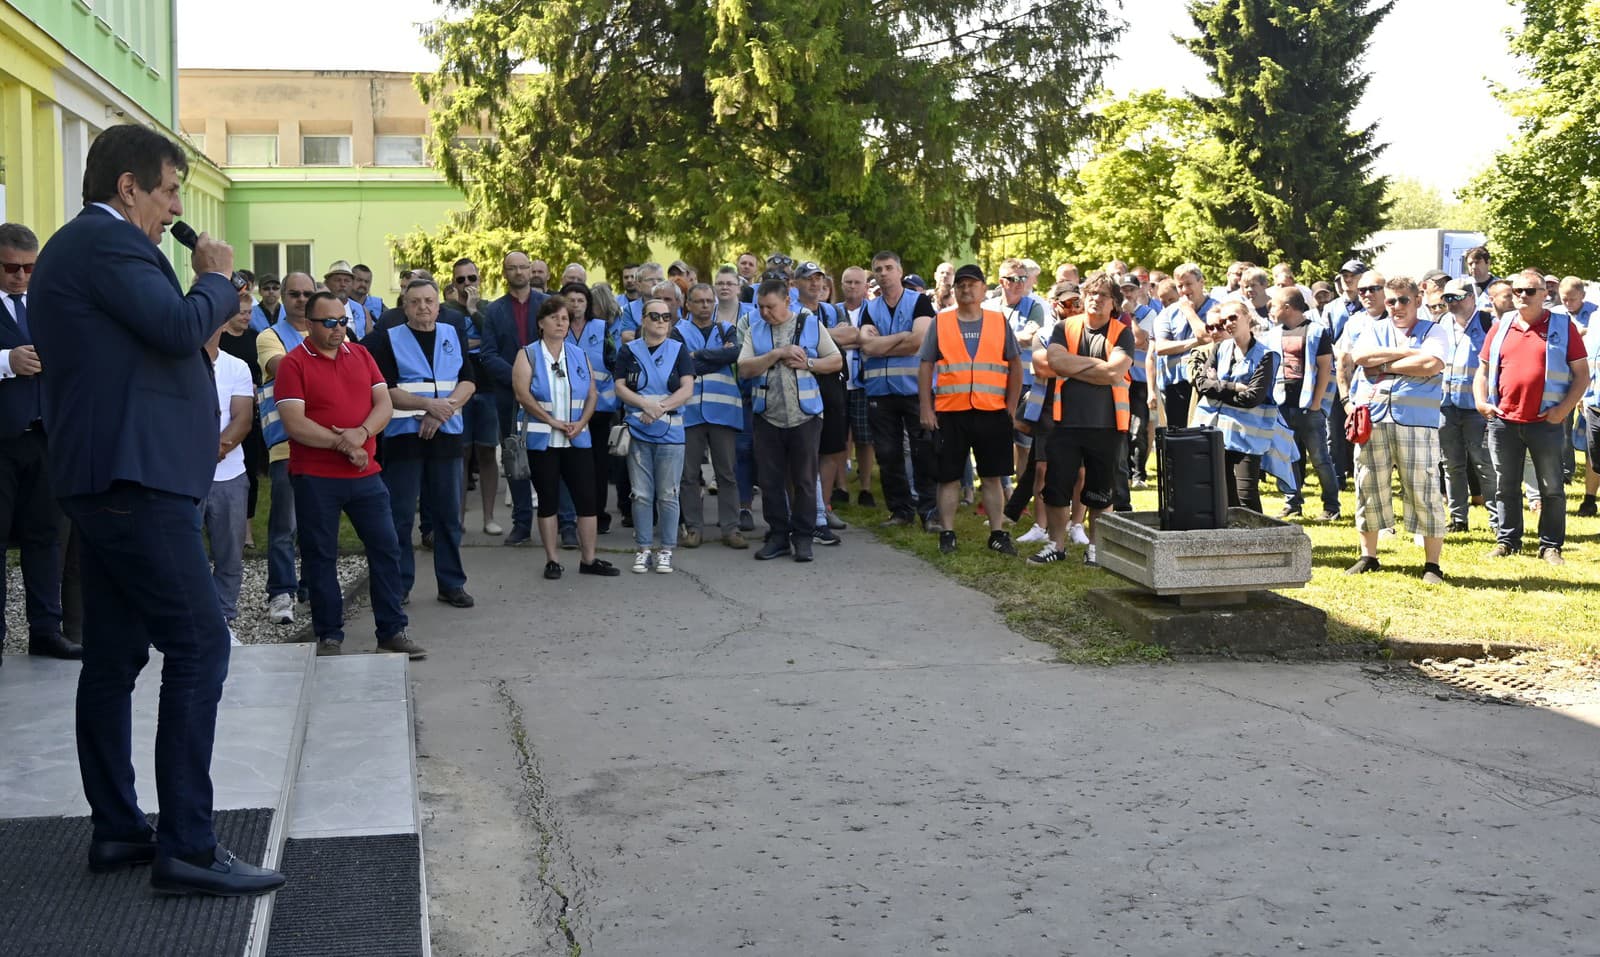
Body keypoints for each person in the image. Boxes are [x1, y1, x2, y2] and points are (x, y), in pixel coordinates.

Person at [29, 123, 284, 894]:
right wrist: (215, 281)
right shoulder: (105, 242)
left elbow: (152, 345)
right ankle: (188, 847)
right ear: (129, 187)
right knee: (203, 645)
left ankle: (117, 829)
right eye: (171, 188)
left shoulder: (95, 249)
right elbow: (177, 325)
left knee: (113, 657)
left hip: (117, 478)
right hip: (132, 484)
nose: (178, 206)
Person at [274, 291, 421, 660]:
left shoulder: (361, 354)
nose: (339, 329)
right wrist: (345, 444)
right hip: (316, 477)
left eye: (343, 321)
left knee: (386, 548)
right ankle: (329, 635)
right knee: (321, 555)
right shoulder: (293, 364)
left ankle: (391, 630)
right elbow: (295, 423)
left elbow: (383, 403)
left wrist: (363, 434)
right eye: (329, 322)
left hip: (366, 474)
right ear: (309, 325)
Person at [363, 278, 477, 607]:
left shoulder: (451, 335)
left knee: (447, 516)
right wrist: (428, 406)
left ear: (439, 305)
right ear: (404, 306)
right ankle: (399, 585)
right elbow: (386, 389)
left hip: (446, 437)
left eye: (429, 301)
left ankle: (451, 583)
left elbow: (468, 381)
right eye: (415, 302)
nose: (423, 307)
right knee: (400, 516)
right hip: (403, 439)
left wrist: (442, 411)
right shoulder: (388, 339)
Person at [0, 222, 78, 662]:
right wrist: (6, 361)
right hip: (2, 440)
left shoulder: (45, 305)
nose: (21, 277)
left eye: (30, 267)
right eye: (12, 267)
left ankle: (45, 629)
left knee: (45, 537)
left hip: (45, 437)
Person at [1476, 268, 1590, 564]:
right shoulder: (1499, 327)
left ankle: (1550, 545)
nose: (1522, 296)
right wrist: (1481, 402)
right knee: (1505, 485)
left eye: (1529, 291)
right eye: (1517, 291)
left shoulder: (1563, 327)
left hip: (1547, 422)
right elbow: (1483, 371)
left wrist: (1563, 410)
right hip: (1503, 421)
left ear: (1544, 294)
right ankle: (1507, 540)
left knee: (1552, 487)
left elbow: (1582, 375)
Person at [1345, 276, 1450, 584]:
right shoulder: (1373, 329)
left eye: (1403, 300)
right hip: (1374, 419)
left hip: (1417, 422)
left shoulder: (1435, 330)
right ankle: (1369, 556)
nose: (1396, 306)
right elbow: (1361, 358)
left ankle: (1432, 565)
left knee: (1424, 490)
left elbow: (1431, 363)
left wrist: (1386, 363)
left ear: (1418, 300)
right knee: (1368, 486)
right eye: (1390, 301)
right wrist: (1407, 355)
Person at [511, 296, 621, 579]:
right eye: (554, 318)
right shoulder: (528, 354)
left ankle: (589, 559)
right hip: (543, 440)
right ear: (541, 323)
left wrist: (582, 421)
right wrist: (551, 421)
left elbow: (592, 393)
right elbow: (522, 394)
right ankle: (552, 560)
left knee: (587, 500)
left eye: (565, 319)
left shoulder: (578, 354)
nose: (561, 323)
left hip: (577, 438)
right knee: (548, 500)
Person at [918, 264, 1024, 555]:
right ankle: (947, 532)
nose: (966, 289)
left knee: (992, 476)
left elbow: (1015, 364)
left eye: (972, 284)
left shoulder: (997, 321)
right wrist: (926, 408)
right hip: (951, 411)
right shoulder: (941, 322)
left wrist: (1011, 407)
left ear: (982, 288)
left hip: (992, 411)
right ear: (955, 290)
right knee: (948, 476)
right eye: (961, 285)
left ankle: (998, 533)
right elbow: (926, 364)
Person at [1029, 272, 1133, 566]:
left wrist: (1074, 368)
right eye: (1091, 293)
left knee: (1100, 493)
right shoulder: (1065, 327)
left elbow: (1114, 373)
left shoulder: (1121, 331)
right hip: (1066, 422)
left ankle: (1096, 548)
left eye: (1103, 295)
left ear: (1114, 303)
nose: (1095, 299)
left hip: (1108, 425)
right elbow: (1056, 362)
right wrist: (1097, 366)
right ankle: (1056, 545)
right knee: (1056, 487)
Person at [738, 278, 844, 561]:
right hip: (767, 416)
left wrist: (808, 363)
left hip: (805, 416)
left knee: (805, 481)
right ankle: (778, 536)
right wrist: (775, 354)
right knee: (771, 481)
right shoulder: (754, 329)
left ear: (787, 301)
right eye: (760, 307)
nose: (764, 313)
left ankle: (803, 537)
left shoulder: (809, 324)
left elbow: (835, 361)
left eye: (770, 307)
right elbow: (744, 368)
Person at [614, 296, 696, 573]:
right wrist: (644, 405)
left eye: (666, 317)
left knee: (668, 494)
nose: (660, 321)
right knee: (640, 494)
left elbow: (687, 389)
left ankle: (666, 550)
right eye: (654, 316)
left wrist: (658, 407)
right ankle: (644, 547)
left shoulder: (678, 349)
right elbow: (620, 386)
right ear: (643, 319)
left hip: (671, 432)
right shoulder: (629, 350)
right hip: (638, 431)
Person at [859, 251, 938, 529]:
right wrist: (901, 337)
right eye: (878, 269)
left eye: (888, 267)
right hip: (880, 391)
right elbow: (866, 345)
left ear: (900, 270)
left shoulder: (920, 302)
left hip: (916, 389)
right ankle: (900, 511)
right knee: (888, 453)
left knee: (924, 452)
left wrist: (885, 343)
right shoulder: (870, 307)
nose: (883, 273)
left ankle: (930, 512)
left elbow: (918, 341)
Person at [257, 270, 316, 625]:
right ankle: (281, 592)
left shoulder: (331, 331)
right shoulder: (270, 336)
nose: (301, 300)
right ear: (282, 295)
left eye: (308, 294)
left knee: (317, 525)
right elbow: (284, 368)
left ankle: (311, 588)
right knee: (284, 526)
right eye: (294, 293)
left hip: (325, 444)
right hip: (287, 447)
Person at [1192, 299, 1287, 513]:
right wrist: (1234, 387)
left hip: (1248, 436)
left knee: (1246, 494)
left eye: (1233, 317)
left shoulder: (1266, 355)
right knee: (1223, 493)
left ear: (1248, 317)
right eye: (1224, 320)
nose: (1228, 324)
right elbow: (1201, 384)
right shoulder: (1220, 348)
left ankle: (1261, 541)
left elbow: (1253, 397)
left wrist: (1217, 387)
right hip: (1217, 433)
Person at [479, 251, 547, 544]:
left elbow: (558, 346)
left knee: (550, 458)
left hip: (546, 394)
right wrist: (519, 378)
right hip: (508, 396)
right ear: (504, 273)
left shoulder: (548, 305)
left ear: (531, 270)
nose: (519, 272)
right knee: (515, 458)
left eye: (523, 267)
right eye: (512, 268)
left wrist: (536, 380)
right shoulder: (495, 311)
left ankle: (562, 522)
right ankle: (521, 524)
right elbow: (488, 354)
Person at [203, 291, 257, 639]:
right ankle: (189, 620)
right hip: (183, 478)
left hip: (229, 475)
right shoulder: (173, 364)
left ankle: (222, 621)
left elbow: (242, 419)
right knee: (184, 556)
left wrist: (215, 449)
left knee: (229, 556)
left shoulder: (236, 366)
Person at [675, 282, 746, 549]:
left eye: (709, 301)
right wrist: (717, 358)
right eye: (699, 301)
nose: (705, 306)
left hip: (723, 411)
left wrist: (701, 355)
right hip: (690, 412)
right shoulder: (677, 331)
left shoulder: (726, 328)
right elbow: (682, 363)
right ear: (688, 305)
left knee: (726, 472)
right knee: (689, 475)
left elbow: (735, 353)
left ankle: (731, 528)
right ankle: (694, 528)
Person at [1264, 286, 1340, 521]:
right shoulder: (1273, 334)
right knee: (1287, 455)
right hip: (1282, 404)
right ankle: (1292, 502)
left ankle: (1331, 506)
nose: (1271, 309)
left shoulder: (1317, 332)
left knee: (1319, 458)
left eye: (1274, 305)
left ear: (1288, 307)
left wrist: (1317, 402)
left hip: (1308, 405)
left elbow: (1325, 368)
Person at [1438, 279, 1496, 532]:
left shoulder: (1487, 323)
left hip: (1477, 408)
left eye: (1457, 298)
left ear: (1472, 297)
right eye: (1447, 298)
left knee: (1484, 464)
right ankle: (1458, 519)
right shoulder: (1441, 323)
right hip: (1445, 404)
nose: (1451, 303)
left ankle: (1497, 521)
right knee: (1451, 464)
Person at [1151, 264, 1218, 428]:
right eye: (1180, 286)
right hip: (1177, 385)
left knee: (1207, 437)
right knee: (1179, 439)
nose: (1184, 290)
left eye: (1188, 284)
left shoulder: (1217, 309)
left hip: (1209, 382)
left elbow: (1207, 337)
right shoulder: (1167, 313)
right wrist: (1196, 342)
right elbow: (1161, 347)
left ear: (1201, 282)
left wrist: (1189, 312)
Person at [836, 265, 876, 506]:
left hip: (864, 383)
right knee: (839, 437)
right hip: (838, 382)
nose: (852, 286)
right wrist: (859, 340)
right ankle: (840, 486)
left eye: (856, 282)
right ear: (841, 285)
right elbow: (828, 339)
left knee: (864, 437)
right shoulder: (832, 311)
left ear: (865, 286)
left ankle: (866, 487)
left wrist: (851, 340)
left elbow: (873, 342)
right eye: (847, 282)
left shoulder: (873, 311)